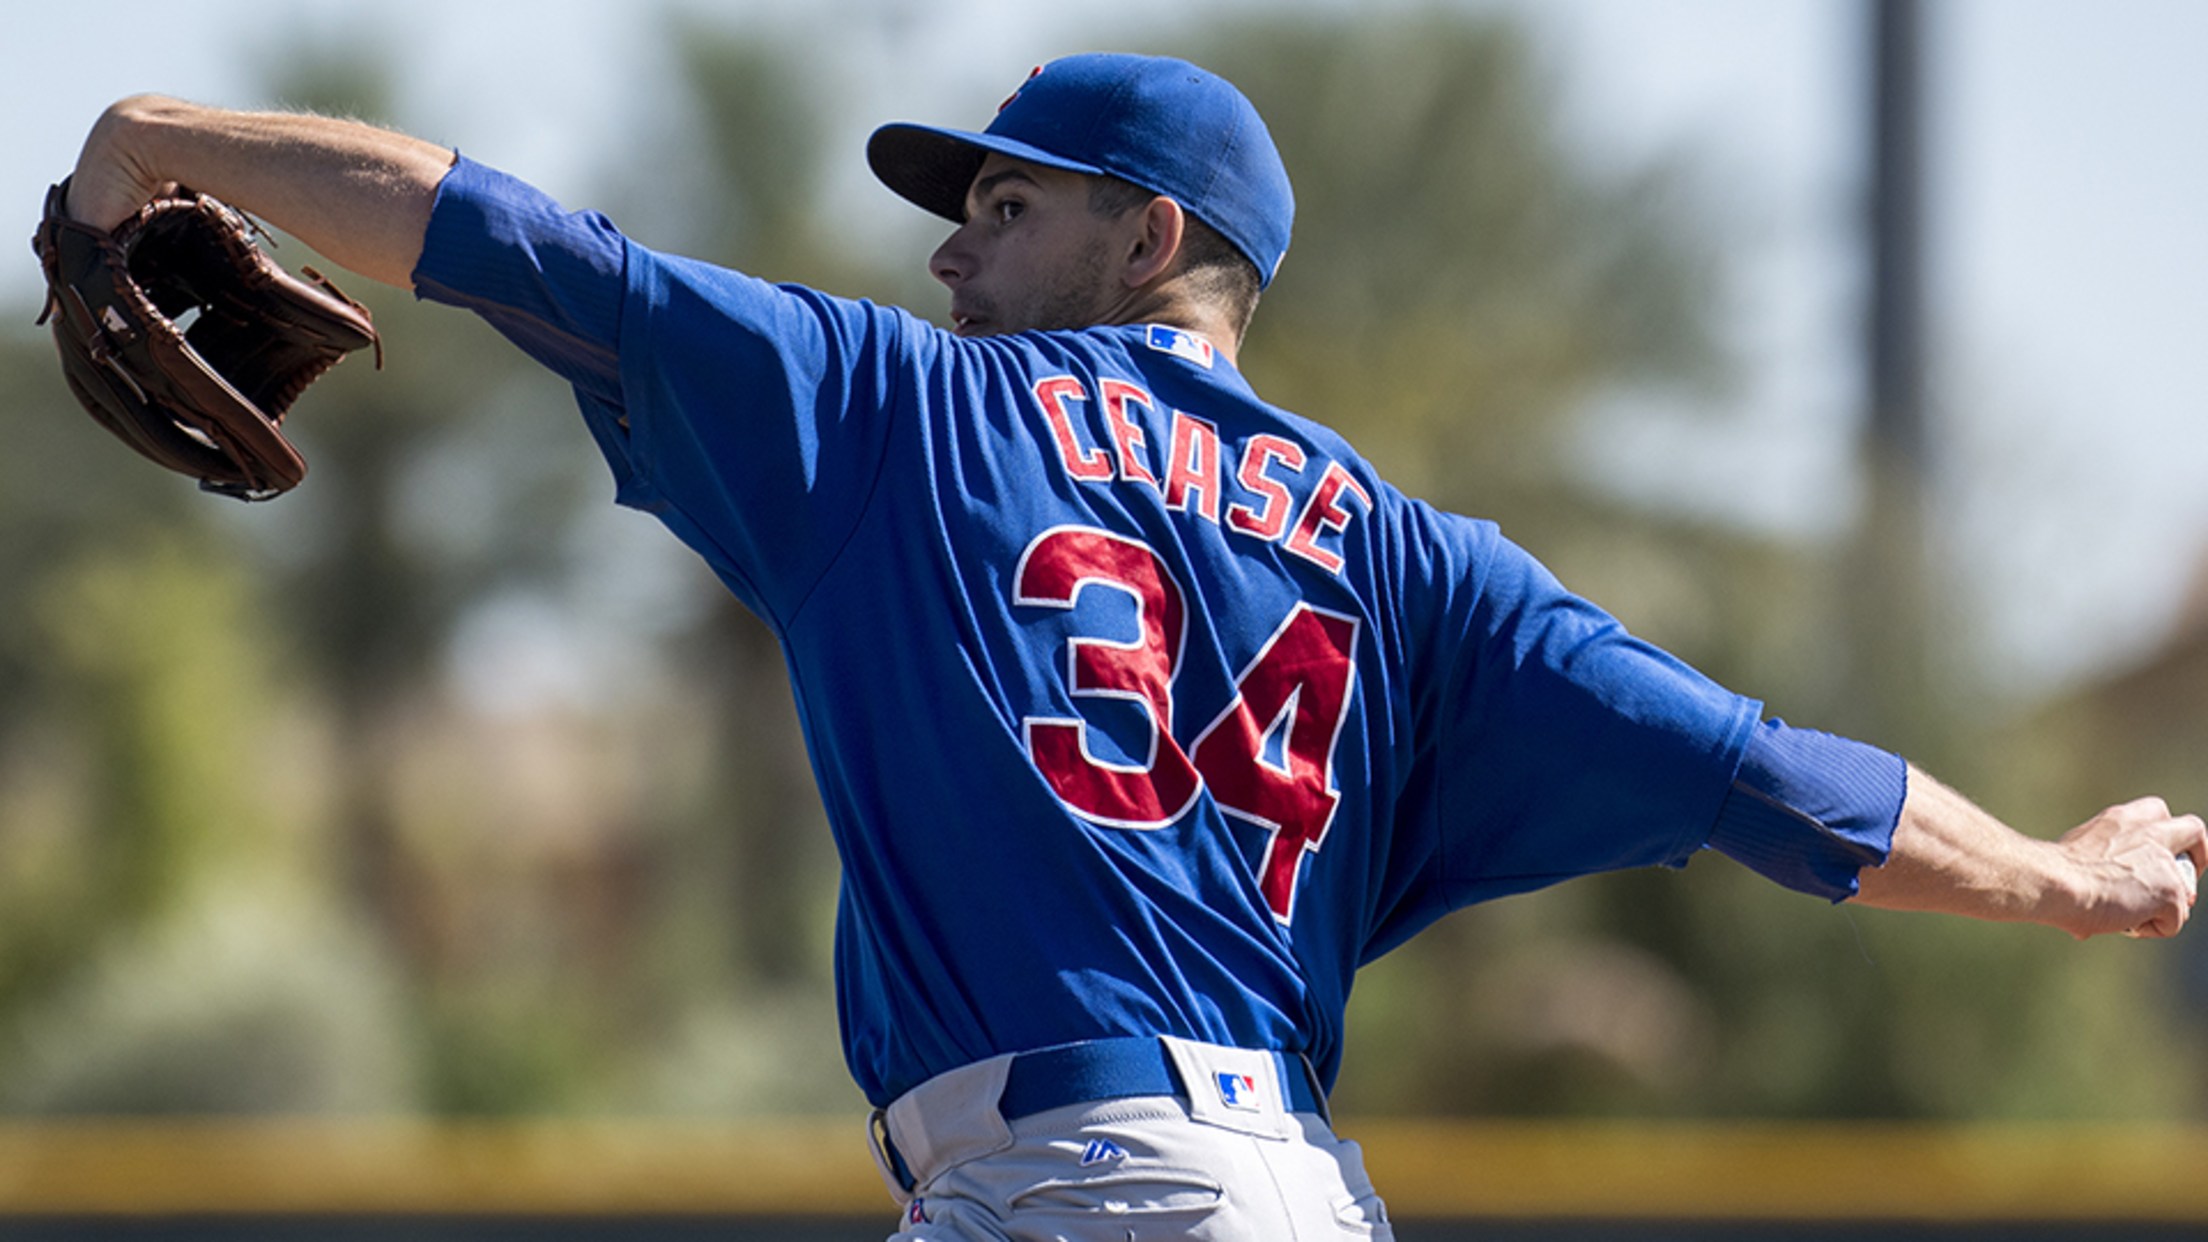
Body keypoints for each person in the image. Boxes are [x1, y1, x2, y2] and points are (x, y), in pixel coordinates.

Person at [64, 52, 2203, 1241]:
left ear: (1150, 239)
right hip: (1284, 1194)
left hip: (1077, 1191)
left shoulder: (903, 410)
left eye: (1006, 204)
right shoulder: (1419, 565)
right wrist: (2059, 877)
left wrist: (156, 141)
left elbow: (529, 247)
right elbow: (1763, 775)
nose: (950, 241)